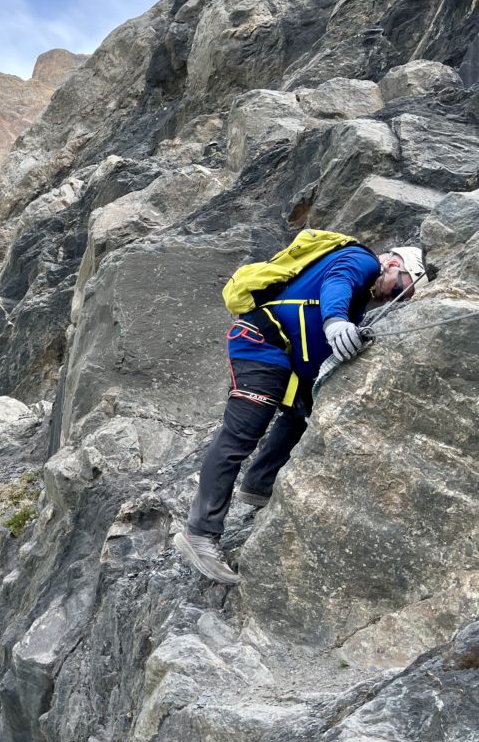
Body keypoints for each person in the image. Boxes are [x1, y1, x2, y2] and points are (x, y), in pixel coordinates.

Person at [174, 242, 428, 584]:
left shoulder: (362, 297)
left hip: (284, 360)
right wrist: (337, 322)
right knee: (240, 434)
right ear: (393, 263)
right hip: (261, 346)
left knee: (304, 413)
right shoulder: (362, 261)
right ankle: (200, 534)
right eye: (398, 288)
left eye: (401, 297)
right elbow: (337, 281)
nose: (390, 298)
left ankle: (259, 484)